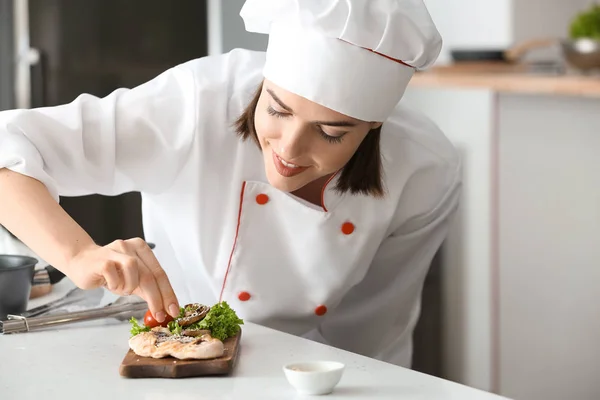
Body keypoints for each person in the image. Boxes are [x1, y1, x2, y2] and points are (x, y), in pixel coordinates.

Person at [0, 0, 461, 367]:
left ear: (372, 128)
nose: (289, 150)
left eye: (331, 133)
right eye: (277, 110)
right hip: (165, 350)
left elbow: (372, 341)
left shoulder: (424, 170)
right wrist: (78, 254)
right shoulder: (198, 101)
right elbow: (7, 147)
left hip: (304, 371)